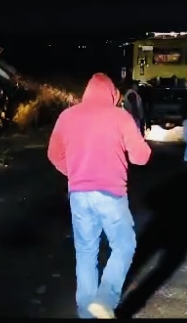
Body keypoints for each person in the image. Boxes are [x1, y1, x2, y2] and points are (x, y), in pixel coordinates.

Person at [47, 72, 152, 319]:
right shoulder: (120, 116)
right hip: (110, 194)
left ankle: (86, 313)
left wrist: (72, 173)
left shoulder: (67, 115)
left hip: (78, 195)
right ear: (113, 95)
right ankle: (105, 299)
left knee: (85, 253)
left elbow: (54, 154)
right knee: (124, 245)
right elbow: (141, 156)